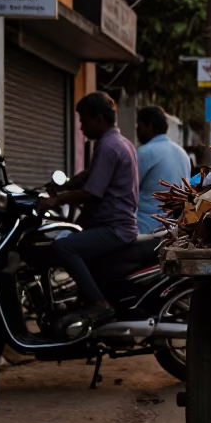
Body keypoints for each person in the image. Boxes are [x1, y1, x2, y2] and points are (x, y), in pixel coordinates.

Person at [39, 92, 139, 325]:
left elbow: (92, 191)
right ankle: (80, 300)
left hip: (114, 227)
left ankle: (99, 304)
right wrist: (64, 184)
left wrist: (56, 200)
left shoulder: (108, 146)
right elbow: (90, 176)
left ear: (98, 119)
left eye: (84, 120)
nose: (82, 127)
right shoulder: (119, 143)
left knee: (63, 247)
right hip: (112, 222)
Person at [136, 105, 191, 234]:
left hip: (144, 228)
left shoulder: (144, 152)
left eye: (139, 126)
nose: (137, 131)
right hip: (174, 227)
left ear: (149, 126)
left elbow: (127, 191)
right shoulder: (182, 153)